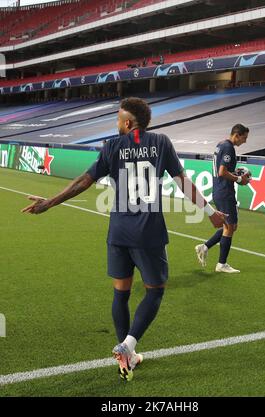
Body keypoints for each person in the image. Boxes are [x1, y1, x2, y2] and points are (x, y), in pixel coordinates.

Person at [22, 97, 227, 381]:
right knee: (154, 291)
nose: (116, 124)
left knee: (121, 293)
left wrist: (51, 202)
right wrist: (210, 212)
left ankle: (126, 358)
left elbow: (84, 180)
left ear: (128, 123)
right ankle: (128, 346)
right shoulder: (161, 142)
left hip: (118, 233)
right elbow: (182, 182)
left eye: (118, 119)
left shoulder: (112, 147)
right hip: (148, 233)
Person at [195, 124, 250, 273]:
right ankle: (221, 264)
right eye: (244, 138)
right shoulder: (228, 147)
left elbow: (223, 169)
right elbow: (222, 172)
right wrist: (239, 179)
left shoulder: (220, 144)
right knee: (229, 226)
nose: (244, 141)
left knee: (230, 226)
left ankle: (205, 247)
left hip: (220, 190)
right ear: (237, 135)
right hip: (224, 191)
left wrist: (236, 173)